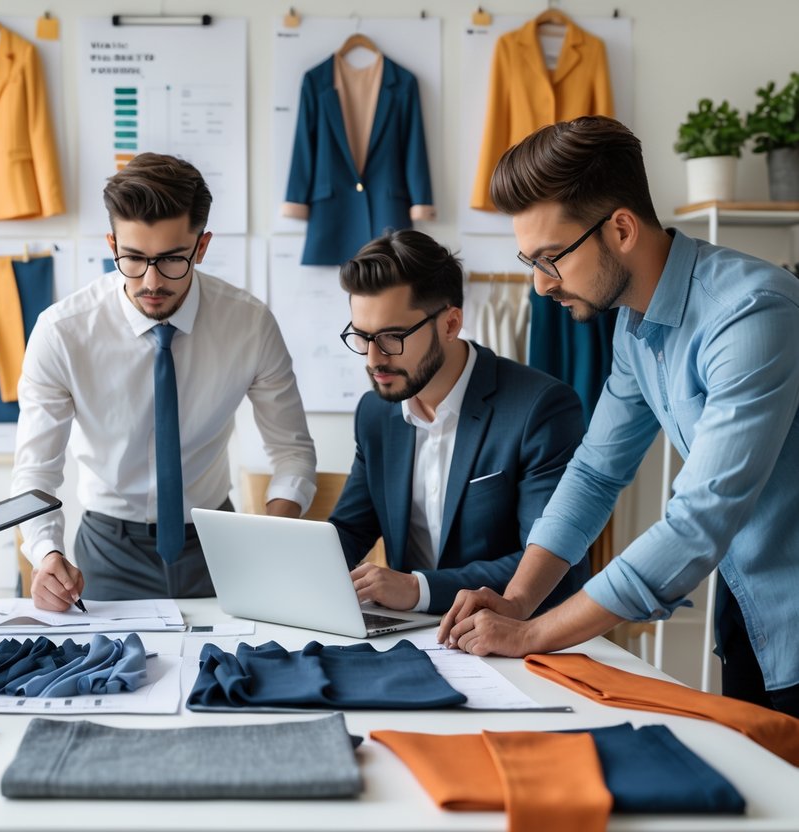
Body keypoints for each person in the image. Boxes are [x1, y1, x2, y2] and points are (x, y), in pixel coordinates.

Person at [439, 115, 799, 717]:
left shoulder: (751, 313)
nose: (539, 284)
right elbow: (595, 473)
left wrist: (533, 635)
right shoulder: (635, 327)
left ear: (622, 229)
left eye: (551, 258)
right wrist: (518, 600)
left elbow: (698, 519)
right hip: (750, 609)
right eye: (530, 260)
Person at [12, 152, 317, 610]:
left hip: (219, 542)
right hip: (107, 547)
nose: (151, 282)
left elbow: (292, 452)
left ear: (202, 246)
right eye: (133, 258)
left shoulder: (249, 324)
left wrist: (269, 534)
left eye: (173, 259)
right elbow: (36, 471)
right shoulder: (62, 332)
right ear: (112, 244)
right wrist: (46, 552)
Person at [329, 229, 589, 614]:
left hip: (513, 634)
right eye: (362, 337)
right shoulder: (376, 413)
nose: (372, 359)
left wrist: (420, 589)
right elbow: (350, 531)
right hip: (407, 636)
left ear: (450, 325)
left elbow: (547, 562)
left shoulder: (540, 408)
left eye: (391, 337)